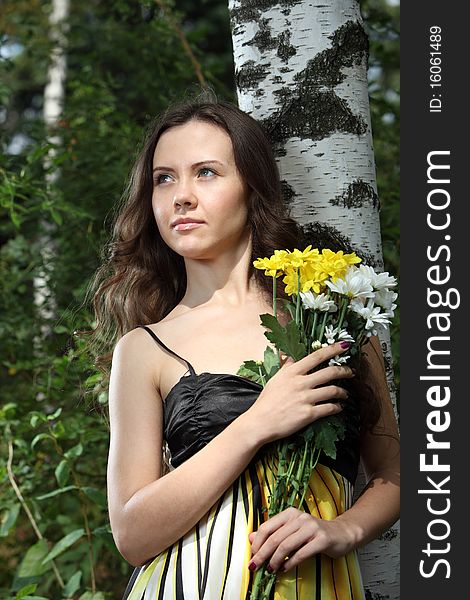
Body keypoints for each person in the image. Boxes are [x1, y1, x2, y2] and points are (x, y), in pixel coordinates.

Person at [92, 92, 400, 599]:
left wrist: (344, 529)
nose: (181, 196)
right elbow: (131, 534)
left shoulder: (331, 317)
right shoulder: (145, 348)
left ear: (252, 188)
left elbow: (394, 471)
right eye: (163, 178)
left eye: (206, 173)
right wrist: (257, 423)